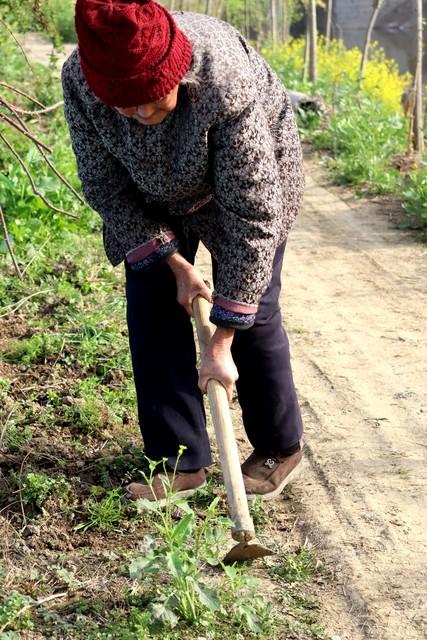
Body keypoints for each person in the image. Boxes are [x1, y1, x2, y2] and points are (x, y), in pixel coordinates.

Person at [62, 0, 305, 503]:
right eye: (124, 105)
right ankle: (180, 459)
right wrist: (175, 264)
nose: (142, 113)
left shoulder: (221, 75)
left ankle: (279, 447)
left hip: (240, 185)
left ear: (177, 73)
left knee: (253, 312)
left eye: (152, 98)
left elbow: (254, 219)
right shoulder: (81, 81)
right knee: (152, 303)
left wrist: (220, 344)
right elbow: (105, 186)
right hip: (148, 193)